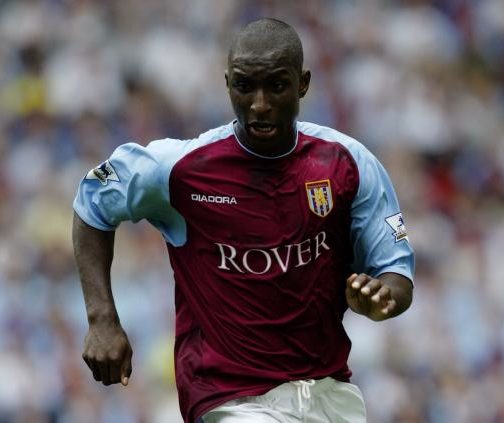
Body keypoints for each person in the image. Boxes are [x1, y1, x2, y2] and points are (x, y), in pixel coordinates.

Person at [72, 18, 415, 423]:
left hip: (330, 394)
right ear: (227, 84)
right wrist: (102, 319)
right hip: (230, 400)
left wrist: (381, 299)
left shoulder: (348, 164)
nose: (259, 104)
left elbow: (396, 274)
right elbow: (92, 202)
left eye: (277, 85)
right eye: (244, 86)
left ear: (303, 84)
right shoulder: (180, 168)